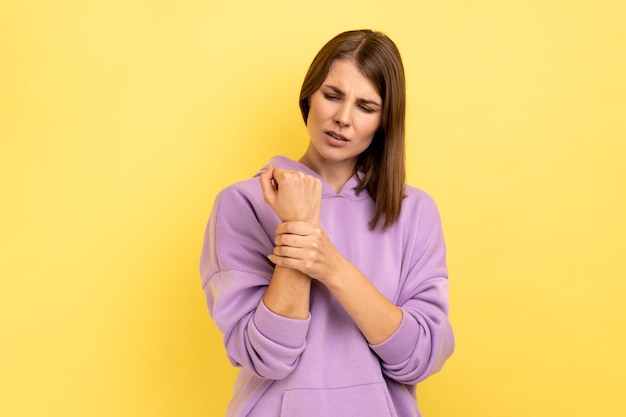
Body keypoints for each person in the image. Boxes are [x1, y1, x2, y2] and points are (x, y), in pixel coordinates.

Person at [200, 29, 454, 417]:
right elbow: (265, 356)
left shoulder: (413, 211)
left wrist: (331, 265)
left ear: (385, 121)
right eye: (332, 96)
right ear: (309, 96)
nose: (342, 118)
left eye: (366, 107)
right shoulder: (243, 203)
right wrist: (297, 225)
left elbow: (420, 356)